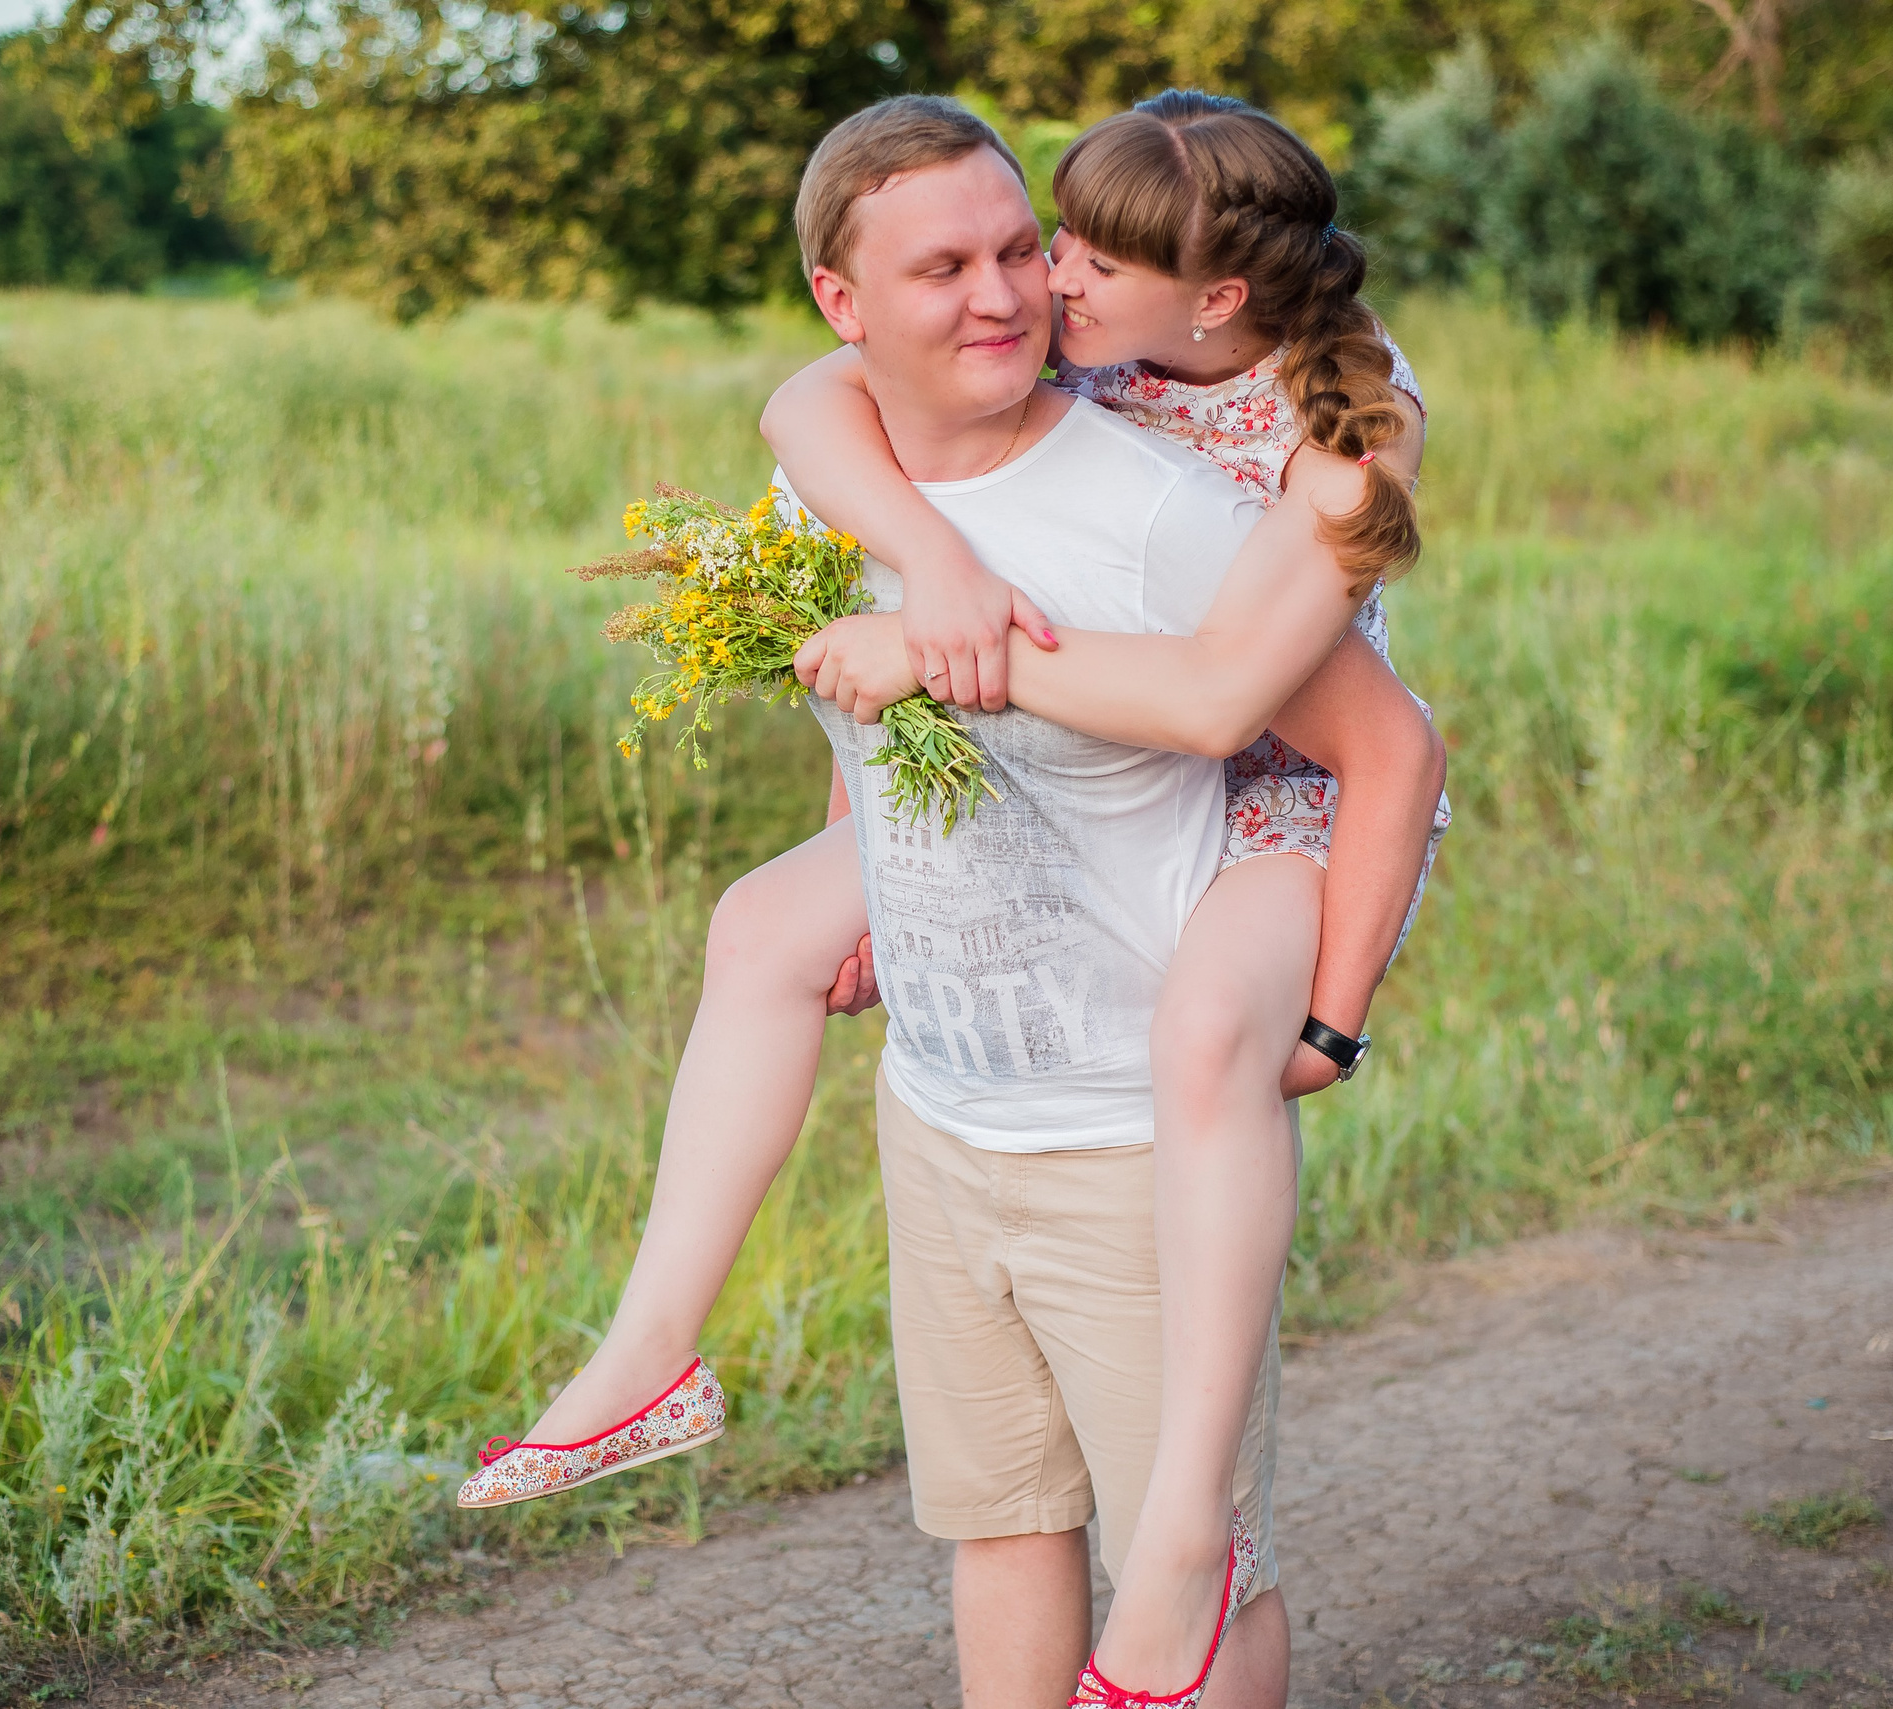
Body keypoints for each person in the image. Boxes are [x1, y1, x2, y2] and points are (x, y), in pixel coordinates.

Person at [464, 95, 1443, 1708]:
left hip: (1294, 802)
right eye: (1015, 246)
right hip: (961, 1099)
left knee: (1212, 1040)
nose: (1036, 286)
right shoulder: (1052, 373)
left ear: (1211, 299)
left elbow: (1264, 716)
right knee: (757, 929)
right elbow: (806, 401)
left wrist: (1336, 1014)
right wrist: (923, 576)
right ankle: (649, 1349)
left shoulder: (1314, 445)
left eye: (1065, 255)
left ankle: (1186, 1545)